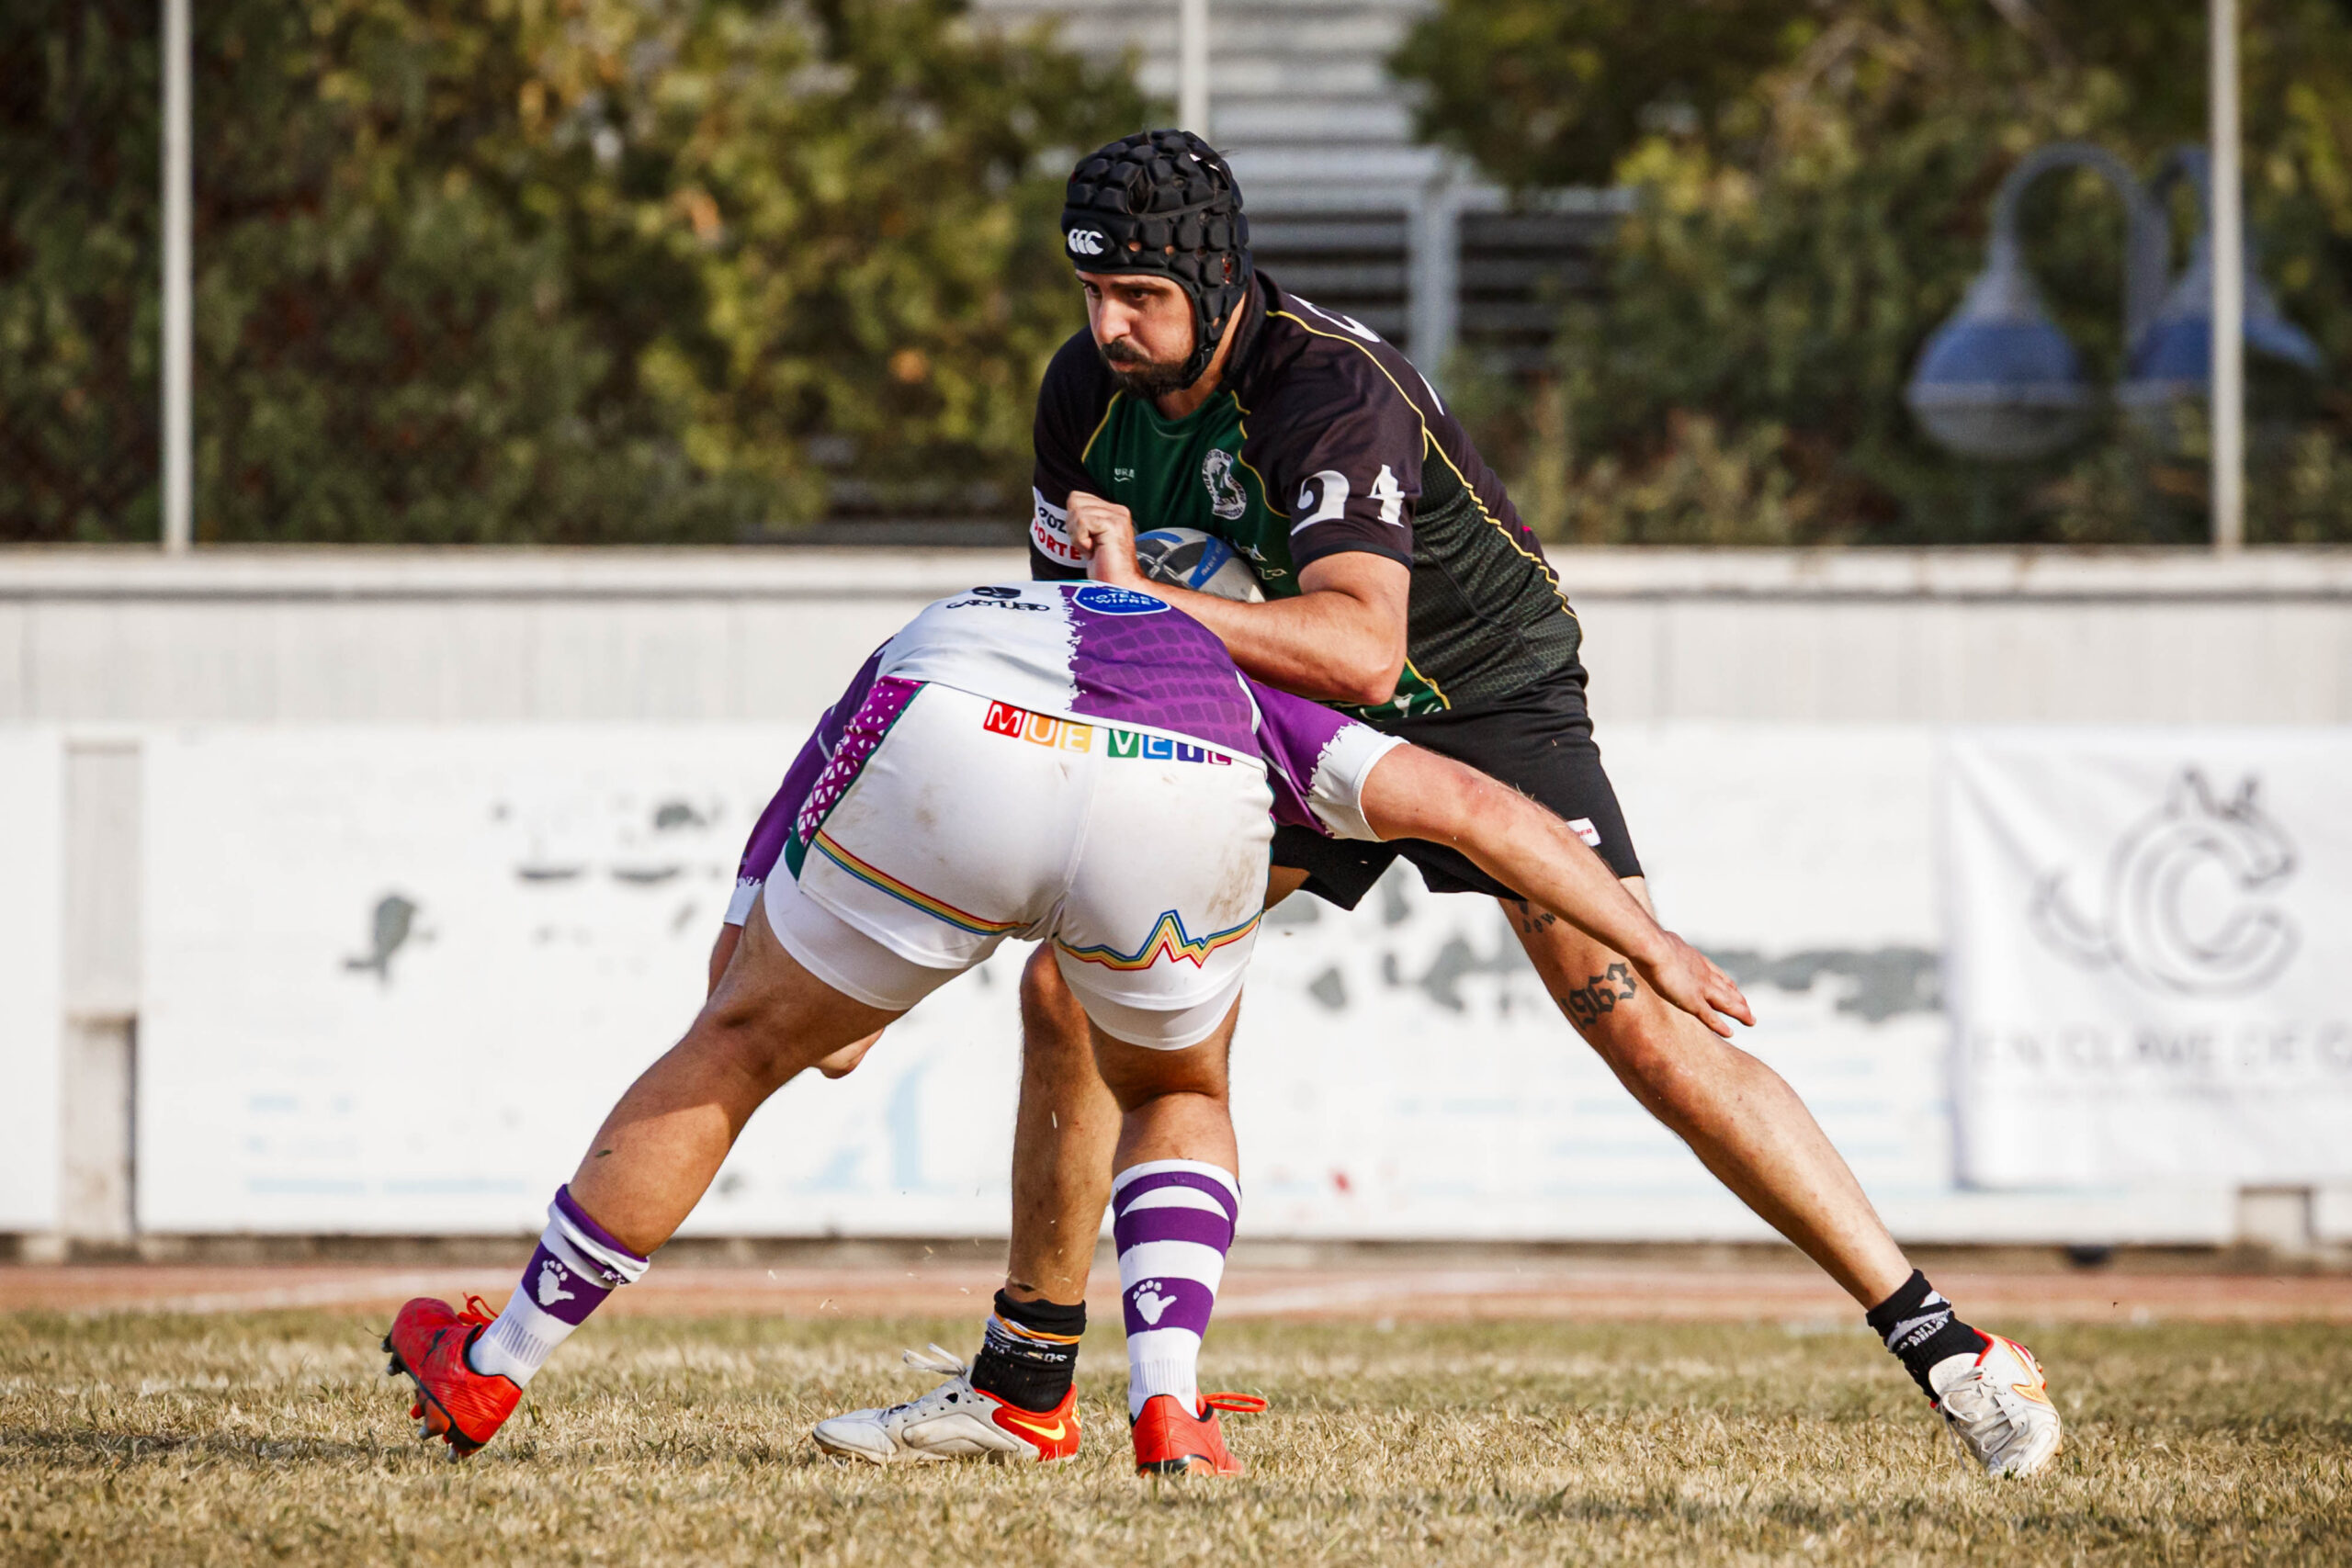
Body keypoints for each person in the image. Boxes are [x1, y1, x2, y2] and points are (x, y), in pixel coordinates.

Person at [809, 130, 2064, 1481]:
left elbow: (1357, 645)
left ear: (1220, 278)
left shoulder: (1328, 389)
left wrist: (1138, 600)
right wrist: (920, 944)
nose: (1110, 328)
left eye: (1143, 300)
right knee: (1075, 986)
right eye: (1092, 296)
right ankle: (1025, 1384)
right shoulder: (1085, 396)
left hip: (1477, 693)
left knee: (1640, 1025)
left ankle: (1952, 1349)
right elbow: (1085, 669)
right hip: (1265, 703)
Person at [383, 578, 1751, 1477]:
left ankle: (494, 1365)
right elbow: (1478, 811)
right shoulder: (1224, 663)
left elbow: (807, 794)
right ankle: (1166, 1400)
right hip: (1185, 776)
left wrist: (752, 985)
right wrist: (1656, 943)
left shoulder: (954, 617)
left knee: (731, 1056)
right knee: (1176, 1083)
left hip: (956, 733)